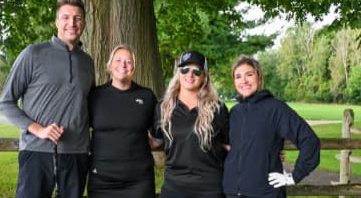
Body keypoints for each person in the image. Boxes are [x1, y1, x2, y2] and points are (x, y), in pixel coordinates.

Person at [0, 0, 95, 198]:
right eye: (66, 17)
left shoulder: (87, 62)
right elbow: (6, 102)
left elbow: (89, 106)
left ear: (84, 22)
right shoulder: (33, 54)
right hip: (37, 153)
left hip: (76, 155)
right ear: (56, 21)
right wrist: (38, 129)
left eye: (77, 18)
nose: (72, 23)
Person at [223, 56, 320, 198]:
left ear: (259, 77)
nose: (243, 81)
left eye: (249, 74)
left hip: (266, 193)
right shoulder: (234, 112)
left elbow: (310, 141)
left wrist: (294, 176)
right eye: (238, 77)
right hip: (232, 192)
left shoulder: (276, 109)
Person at [87, 45, 159, 198]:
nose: (123, 65)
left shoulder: (147, 96)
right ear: (110, 65)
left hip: (139, 181)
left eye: (129, 61)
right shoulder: (95, 96)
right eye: (118, 60)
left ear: (134, 67)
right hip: (102, 180)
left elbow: (159, 133)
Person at [156, 51, 230, 198]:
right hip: (174, 187)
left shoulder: (217, 109)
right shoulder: (163, 108)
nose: (190, 75)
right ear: (178, 73)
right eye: (184, 69)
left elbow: (231, 145)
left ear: (204, 77)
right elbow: (155, 140)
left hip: (209, 187)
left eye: (196, 71)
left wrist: (269, 153)